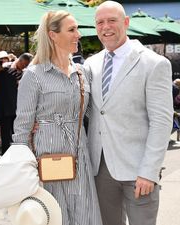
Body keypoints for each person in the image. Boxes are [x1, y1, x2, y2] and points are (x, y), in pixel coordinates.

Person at [84, 1, 173, 225]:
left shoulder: (154, 63)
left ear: (126, 22)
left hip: (139, 171)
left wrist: (149, 171)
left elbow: (161, 121)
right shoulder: (91, 64)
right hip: (100, 169)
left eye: (112, 20)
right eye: (100, 22)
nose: (106, 27)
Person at [12, 10, 102, 225]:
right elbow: (22, 128)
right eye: (71, 30)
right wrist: (24, 169)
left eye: (77, 29)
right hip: (46, 158)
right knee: (54, 215)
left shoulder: (82, 72)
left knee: (85, 215)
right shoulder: (33, 75)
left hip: (79, 157)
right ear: (53, 35)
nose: (78, 34)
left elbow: (94, 114)